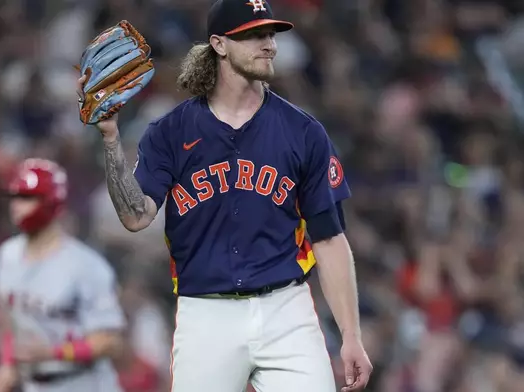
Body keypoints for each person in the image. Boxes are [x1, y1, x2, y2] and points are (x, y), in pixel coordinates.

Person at [79, 0, 373, 391]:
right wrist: (112, 139)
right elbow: (136, 216)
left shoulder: (303, 132)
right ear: (218, 44)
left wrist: (351, 336)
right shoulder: (170, 131)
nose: (268, 43)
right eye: (253, 35)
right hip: (205, 314)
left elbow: (330, 239)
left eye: (270, 34)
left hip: (286, 310)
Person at [0, 158, 126, 392]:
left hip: (84, 382)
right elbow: (11, 322)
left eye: (26, 197)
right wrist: (7, 364)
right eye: (15, 197)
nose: (15, 205)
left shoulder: (87, 266)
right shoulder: (8, 254)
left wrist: (53, 353)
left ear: (51, 201)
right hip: (35, 384)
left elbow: (111, 342)